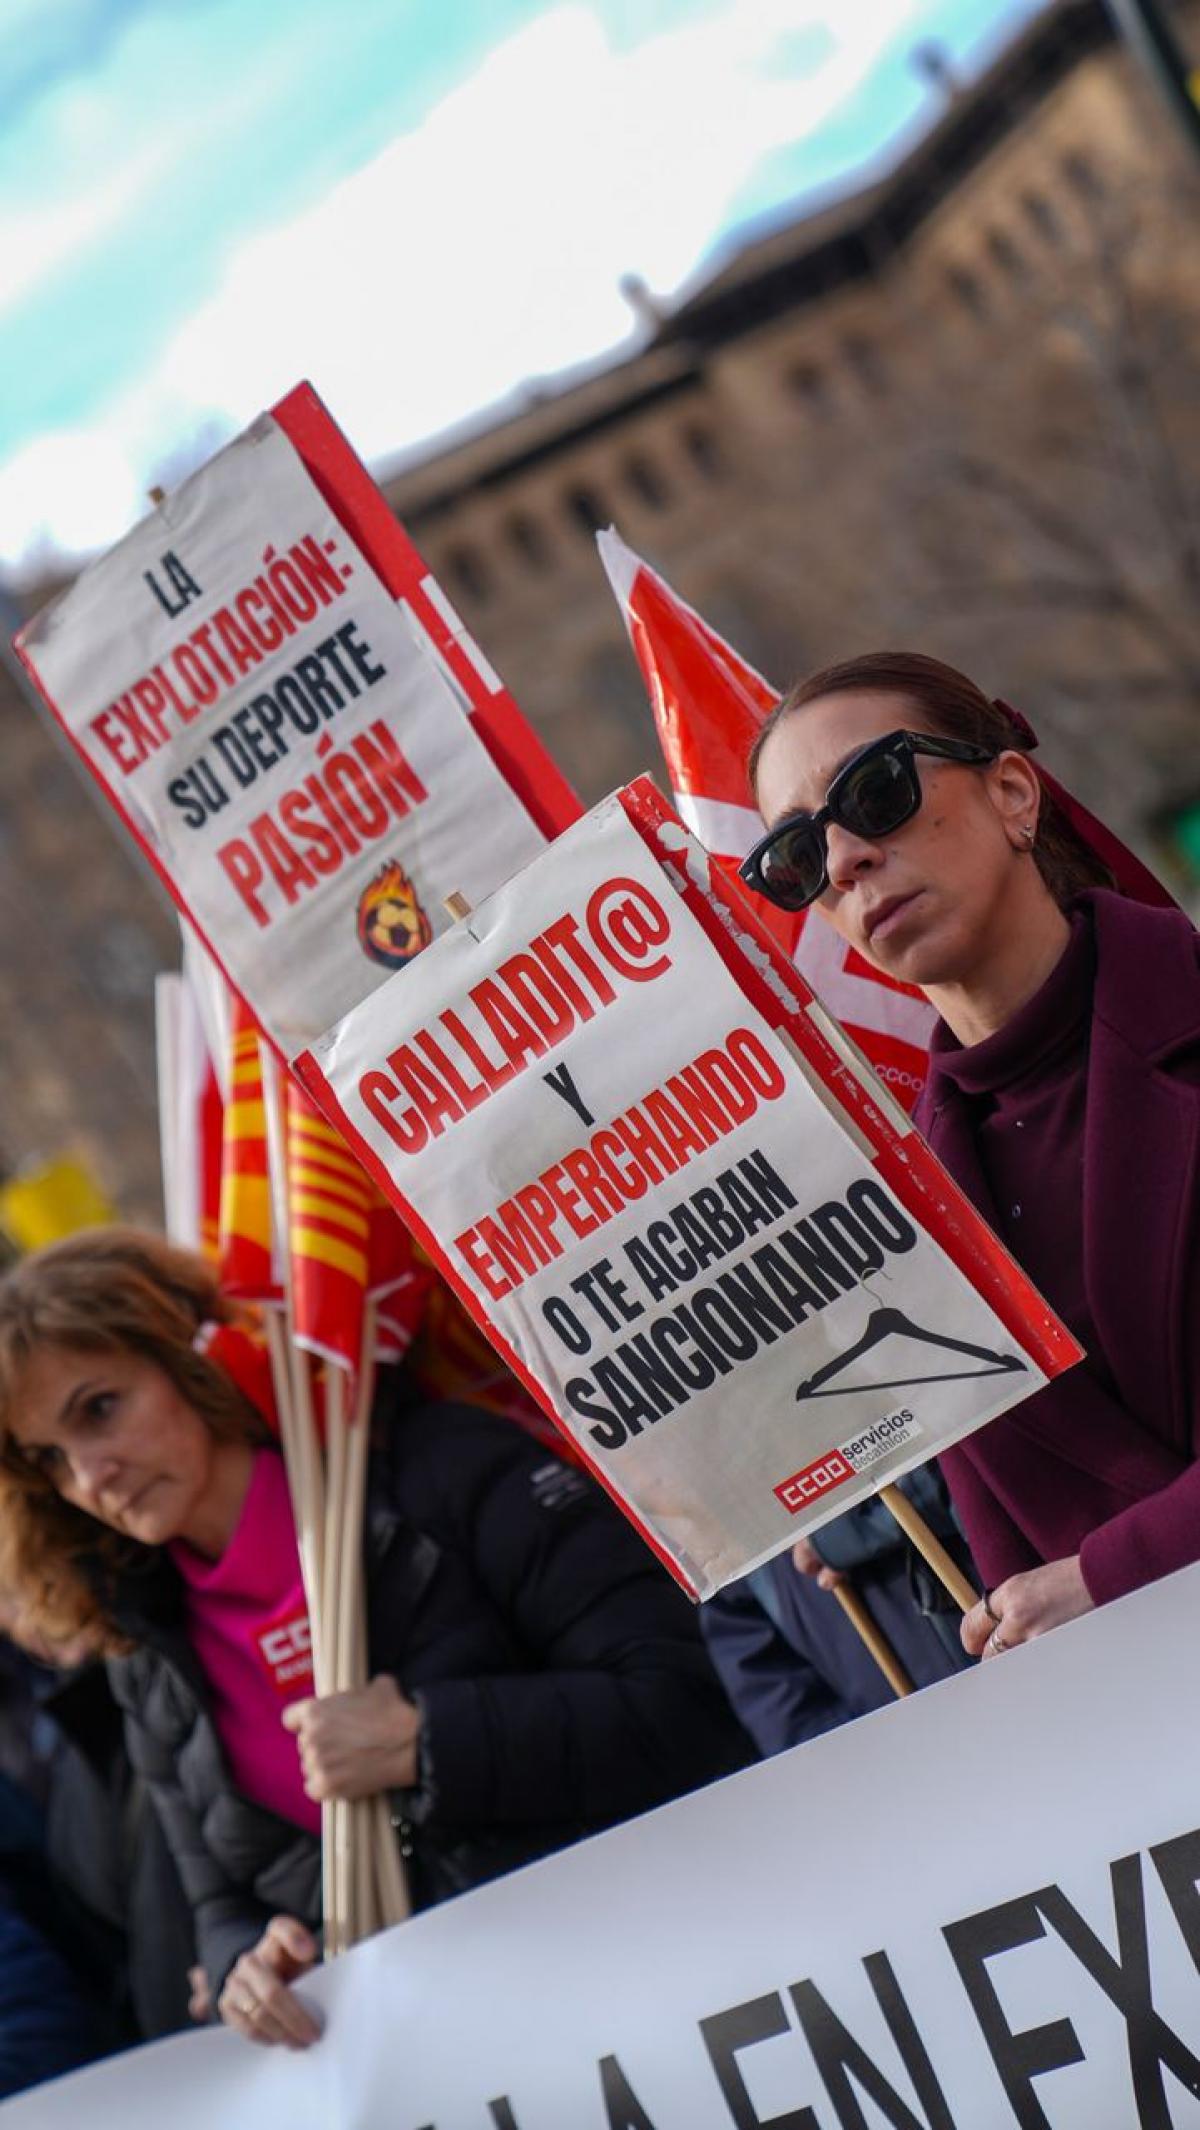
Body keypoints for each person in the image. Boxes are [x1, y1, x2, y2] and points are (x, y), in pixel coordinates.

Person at [0, 1228, 748, 2051]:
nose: (90, 1475)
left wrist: (429, 1741)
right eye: (50, 1459)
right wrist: (248, 1967)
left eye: (100, 1409)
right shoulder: (144, 1652)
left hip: (661, 1982)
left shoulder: (438, 1472)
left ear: (191, 1356)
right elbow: (219, 1902)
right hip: (456, 2057)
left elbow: (688, 1699)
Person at [740, 649, 1199, 1669]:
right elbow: (1013, 1576)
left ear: (1012, 794)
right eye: (797, 856)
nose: (845, 859)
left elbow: (1077, 1580)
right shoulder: (903, 1218)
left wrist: (1113, 1576)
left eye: (876, 792)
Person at [701, 1465, 974, 1758]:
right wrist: (877, 1764)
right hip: (916, 1760)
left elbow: (974, 1467)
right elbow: (789, 1715)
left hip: (998, 1665)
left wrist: (855, 1531)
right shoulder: (724, 1523)